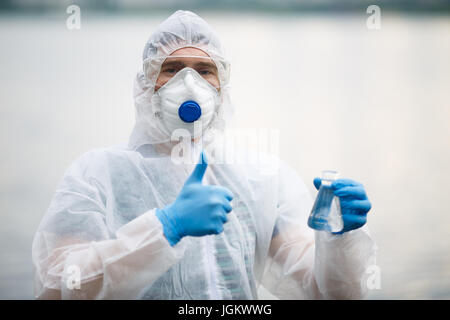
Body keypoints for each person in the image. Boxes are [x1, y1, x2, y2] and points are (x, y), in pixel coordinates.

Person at [32, 10, 377, 300]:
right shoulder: (98, 174)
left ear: (221, 85)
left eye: (204, 70)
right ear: (147, 83)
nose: (189, 82)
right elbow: (58, 287)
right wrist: (163, 229)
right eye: (173, 68)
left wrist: (337, 239)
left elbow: (323, 292)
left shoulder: (259, 179)